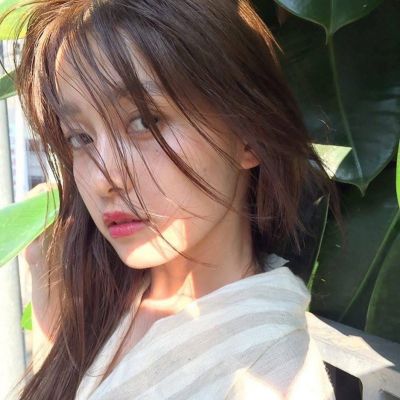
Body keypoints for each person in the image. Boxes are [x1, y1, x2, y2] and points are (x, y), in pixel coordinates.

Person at [1, 0, 342, 398]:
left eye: (146, 121)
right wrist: (49, 296)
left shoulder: (271, 374)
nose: (102, 179)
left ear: (249, 136)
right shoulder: (106, 292)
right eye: (80, 137)